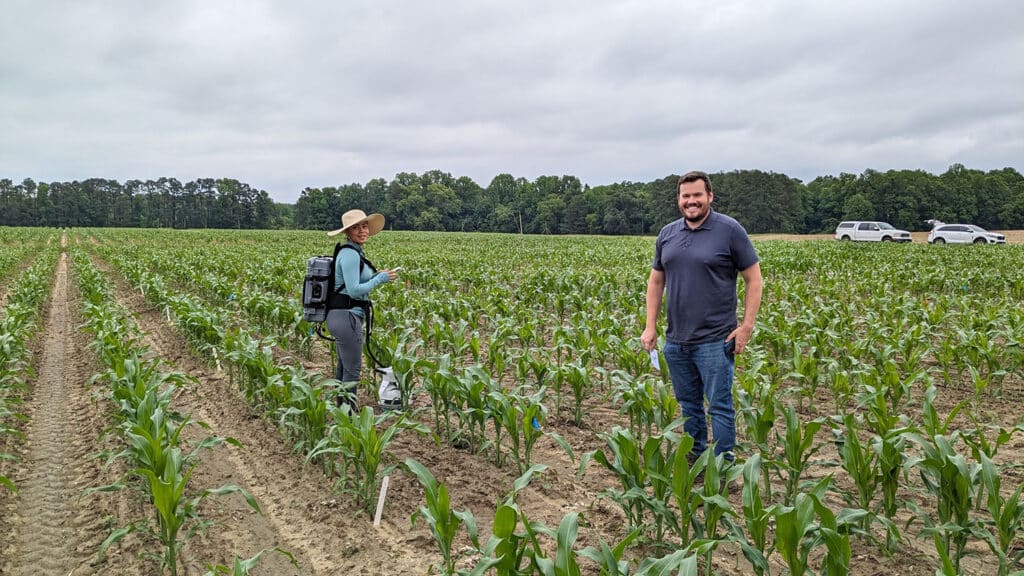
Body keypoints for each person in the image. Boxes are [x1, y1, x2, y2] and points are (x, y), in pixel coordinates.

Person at [640, 171, 763, 465]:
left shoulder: (729, 230)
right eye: (686, 196)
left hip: (715, 340)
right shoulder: (667, 234)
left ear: (710, 196)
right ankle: (696, 456)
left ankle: (723, 467)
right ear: (678, 200)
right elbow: (656, 282)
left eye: (697, 195)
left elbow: (754, 279)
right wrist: (650, 326)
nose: (691, 201)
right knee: (688, 404)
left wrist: (746, 327)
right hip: (677, 340)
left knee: (719, 406)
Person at [325, 209, 399, 412]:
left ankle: (343, 410)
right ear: (347, 232)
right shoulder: (349, 255)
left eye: (364, 226)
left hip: (343, 317)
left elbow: (357, 281)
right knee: (352, 370)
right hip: (345, 318)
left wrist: (377, 275)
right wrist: (379, 279)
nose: (362, 231)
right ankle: (350, 416)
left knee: (344, 367)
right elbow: (354, 290)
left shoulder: (352, 252)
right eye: (355, 227)